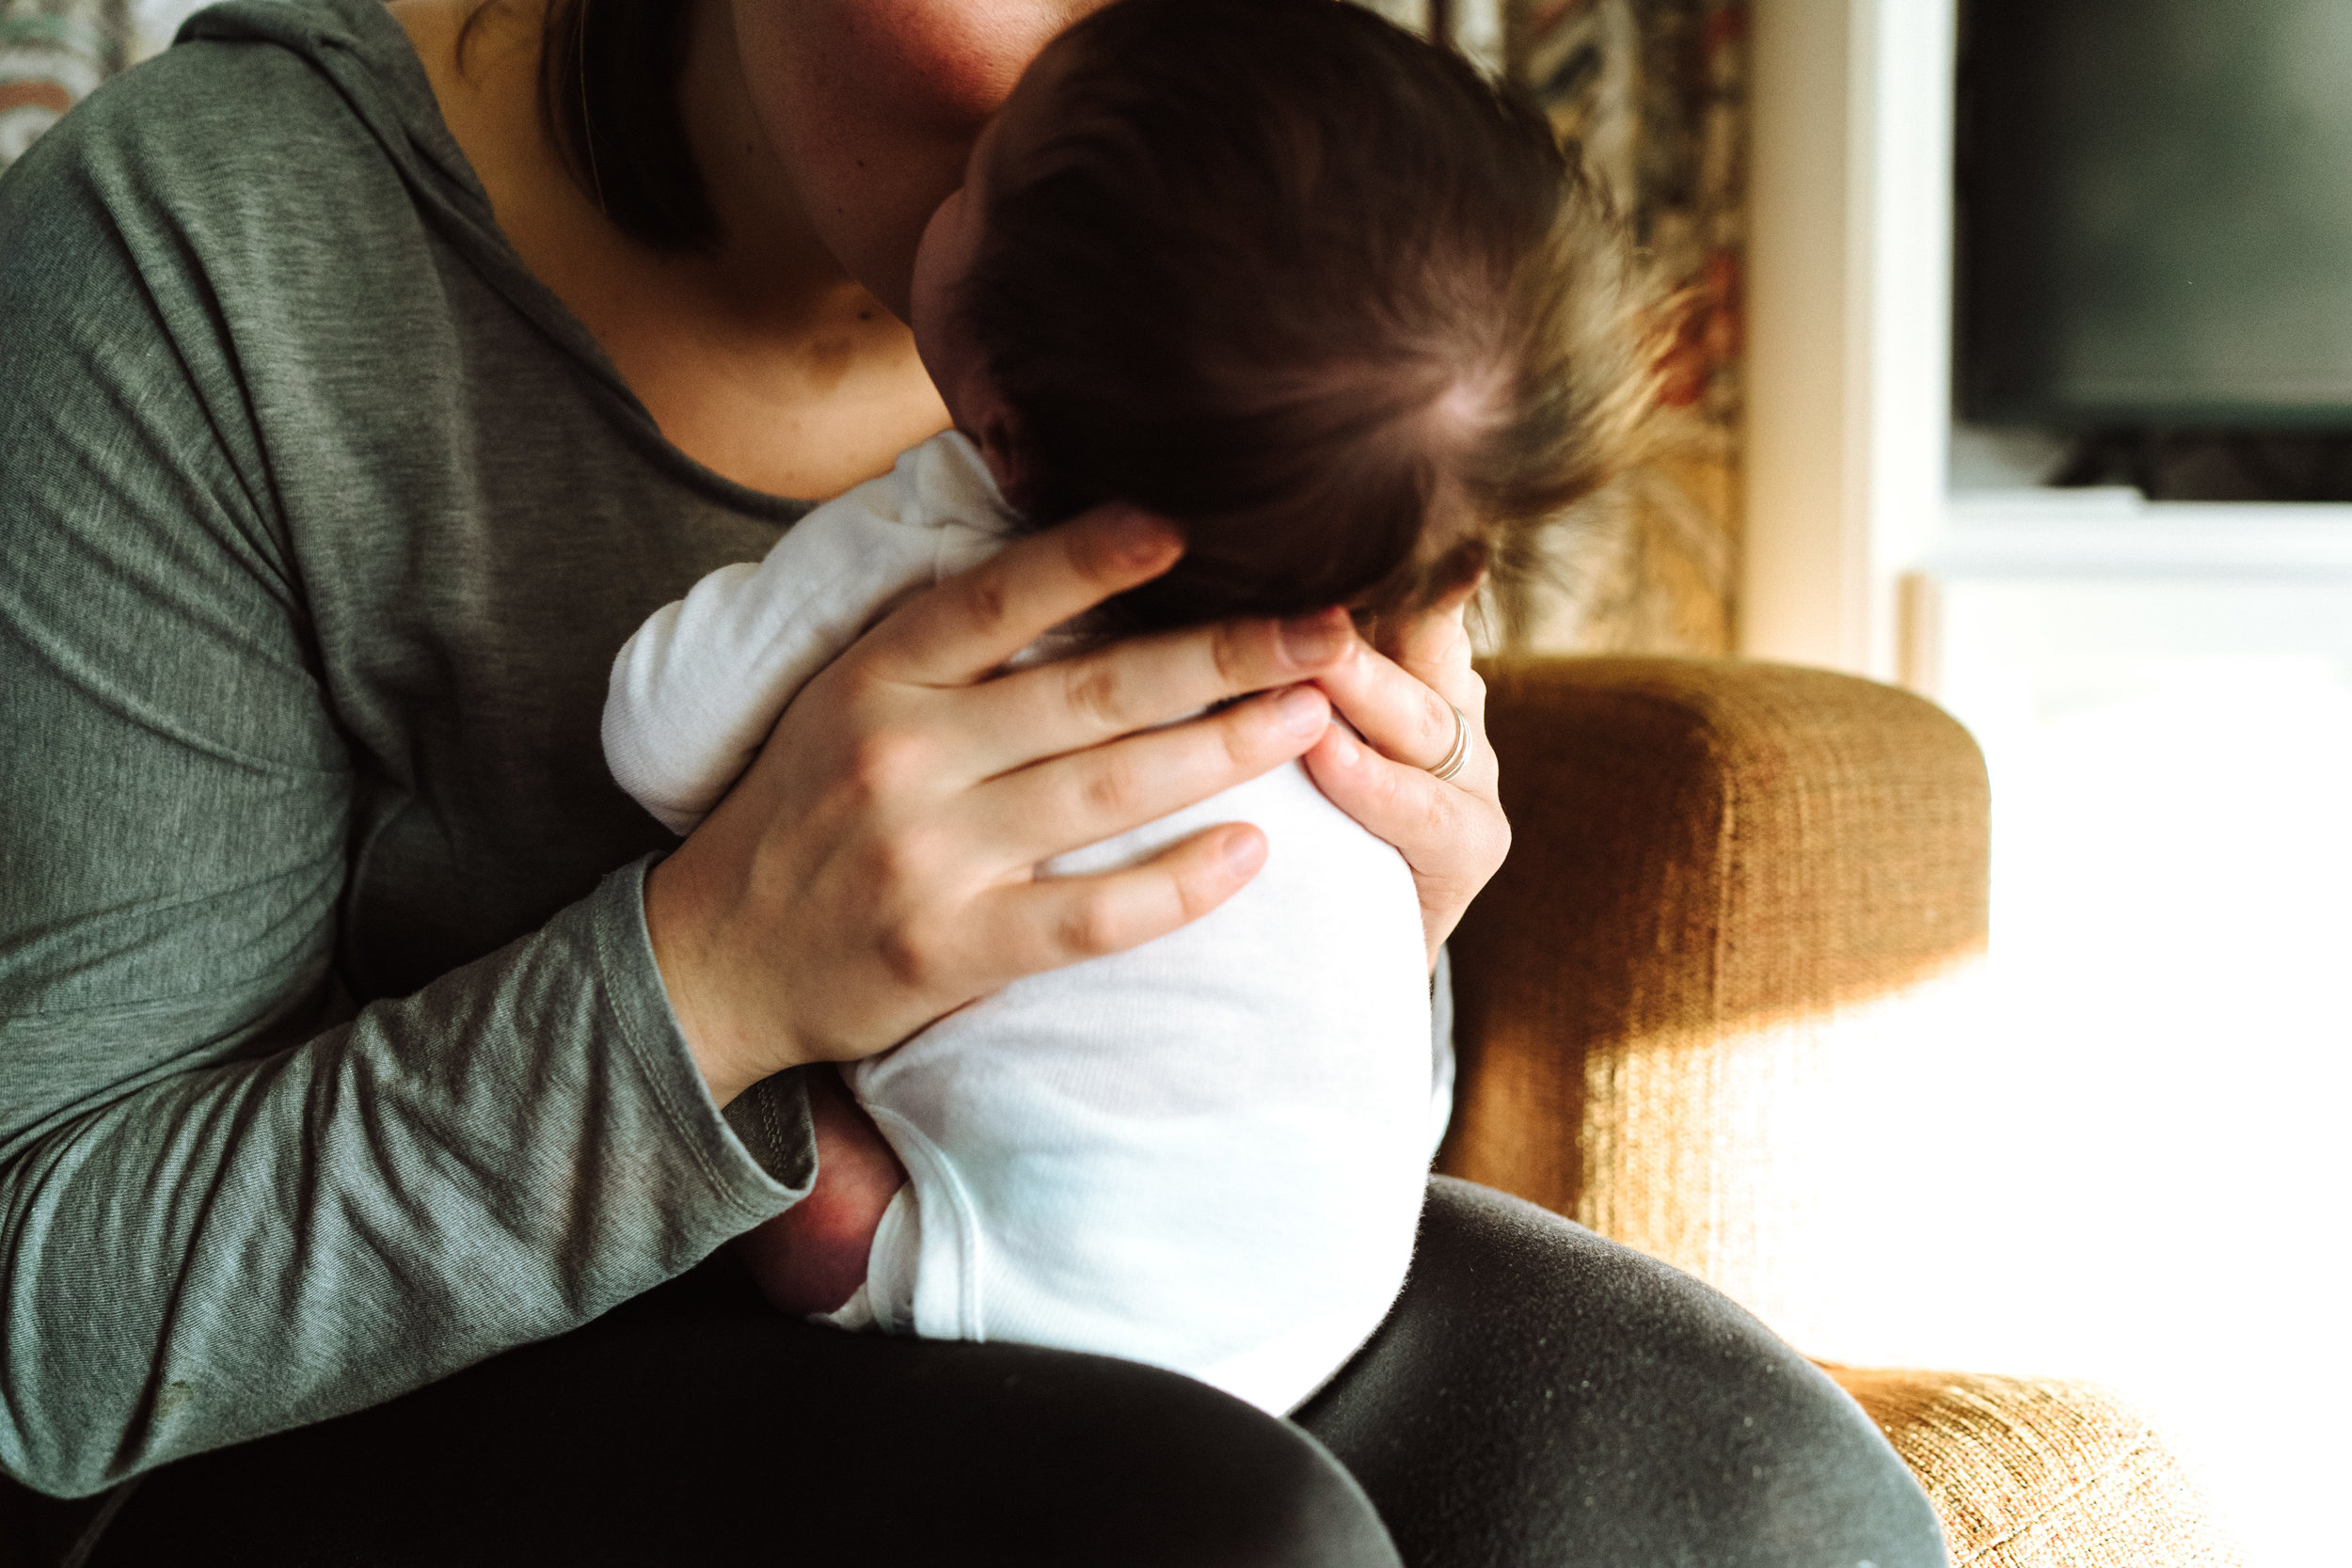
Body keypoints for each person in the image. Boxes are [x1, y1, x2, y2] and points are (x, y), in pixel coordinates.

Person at [0, 0, 1952, 1559]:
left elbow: (1194, 1085)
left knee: (1745, 1495)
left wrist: (1356, 914)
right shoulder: (211, 255)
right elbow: (47, 1336)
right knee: (1200, 1535)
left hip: (1031, 1265)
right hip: (351, 1419)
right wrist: (717, 980)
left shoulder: (1293, 276)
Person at [602, 0, 1653, 1418]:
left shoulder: (946, 540)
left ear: (1013, 438)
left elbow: (658, 740)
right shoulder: (1338, 579)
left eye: (982, 190)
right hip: (1336, 1286)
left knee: (815, 1207)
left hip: (1015, 1297)